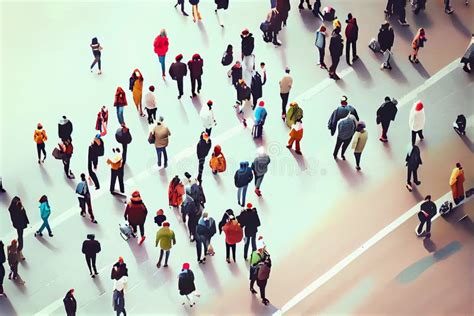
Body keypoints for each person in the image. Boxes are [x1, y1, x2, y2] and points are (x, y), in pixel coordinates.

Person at [8, 196, 29, 261]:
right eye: (17, 202)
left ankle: (19, 248)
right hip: (19, 225)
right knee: (20, 237)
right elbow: (16, 218)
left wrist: (22, 209)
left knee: (20, 236)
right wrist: (21, 210)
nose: (19, 202)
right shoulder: (13, 210)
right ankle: (19, 249)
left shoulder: (18, 206)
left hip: (21, 224)